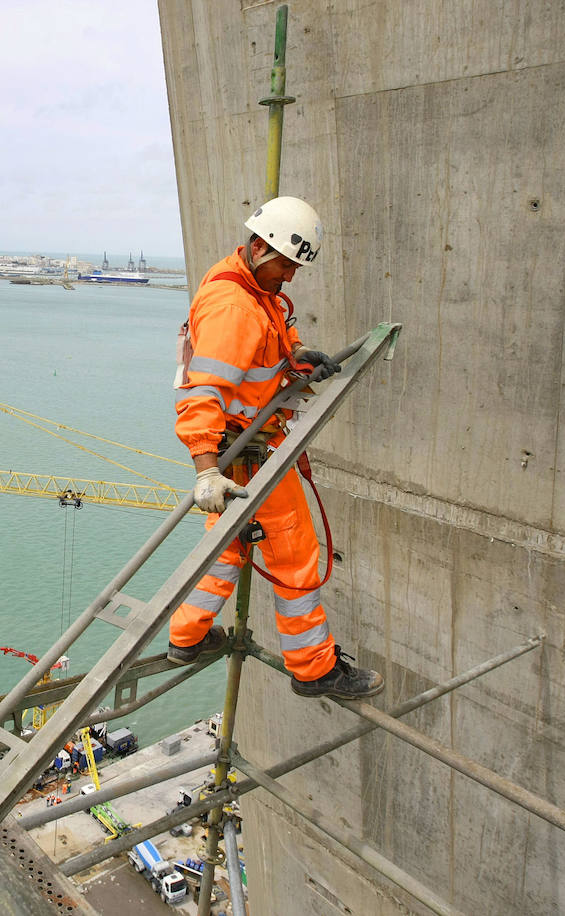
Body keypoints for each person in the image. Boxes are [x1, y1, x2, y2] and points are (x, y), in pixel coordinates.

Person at [165, 196, 383, 700]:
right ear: (261, 248)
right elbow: (203, 391)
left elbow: (271, 339)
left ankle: (186, 636)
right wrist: (204, 470)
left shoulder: (244, 282)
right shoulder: (234, 308)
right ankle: (314, 669)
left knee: (225, 550)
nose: (289, 277)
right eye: (286, 264)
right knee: (297, 560)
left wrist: (299, 356)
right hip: (251, 454)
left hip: (238, 453)